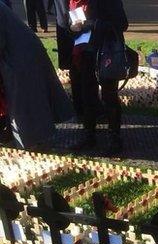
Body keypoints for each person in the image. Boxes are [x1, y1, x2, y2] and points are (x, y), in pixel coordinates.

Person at [0, 2, 73, 149]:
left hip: (19, 57)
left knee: (26, 105)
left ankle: (32, 142)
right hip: (19, 51)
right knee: (28, 101)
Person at [66, 0, 128, 156]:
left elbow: (122, 23)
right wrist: (73, 27)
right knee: (87, 95)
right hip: (85, 53)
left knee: (109, 97)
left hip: (107, 52)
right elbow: (71, 24)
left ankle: (114, 139)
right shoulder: (74, 1)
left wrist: (92, 24)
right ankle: (89, 135)